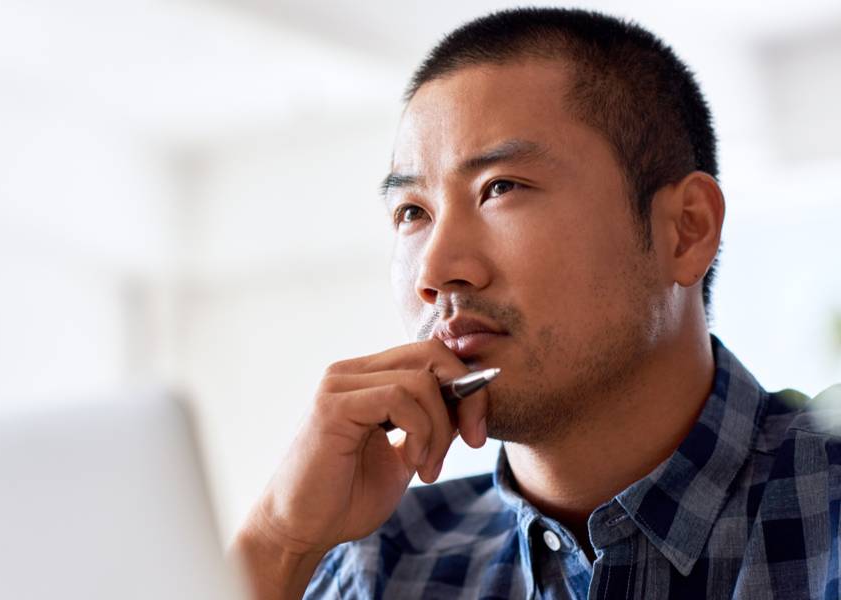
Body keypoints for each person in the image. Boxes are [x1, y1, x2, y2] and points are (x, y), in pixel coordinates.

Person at [229, 7, 841, 599]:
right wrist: (279, 541)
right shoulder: (377, 567)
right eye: (412, 212)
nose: (437, 272)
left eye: (500, 188)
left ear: (686, 229)